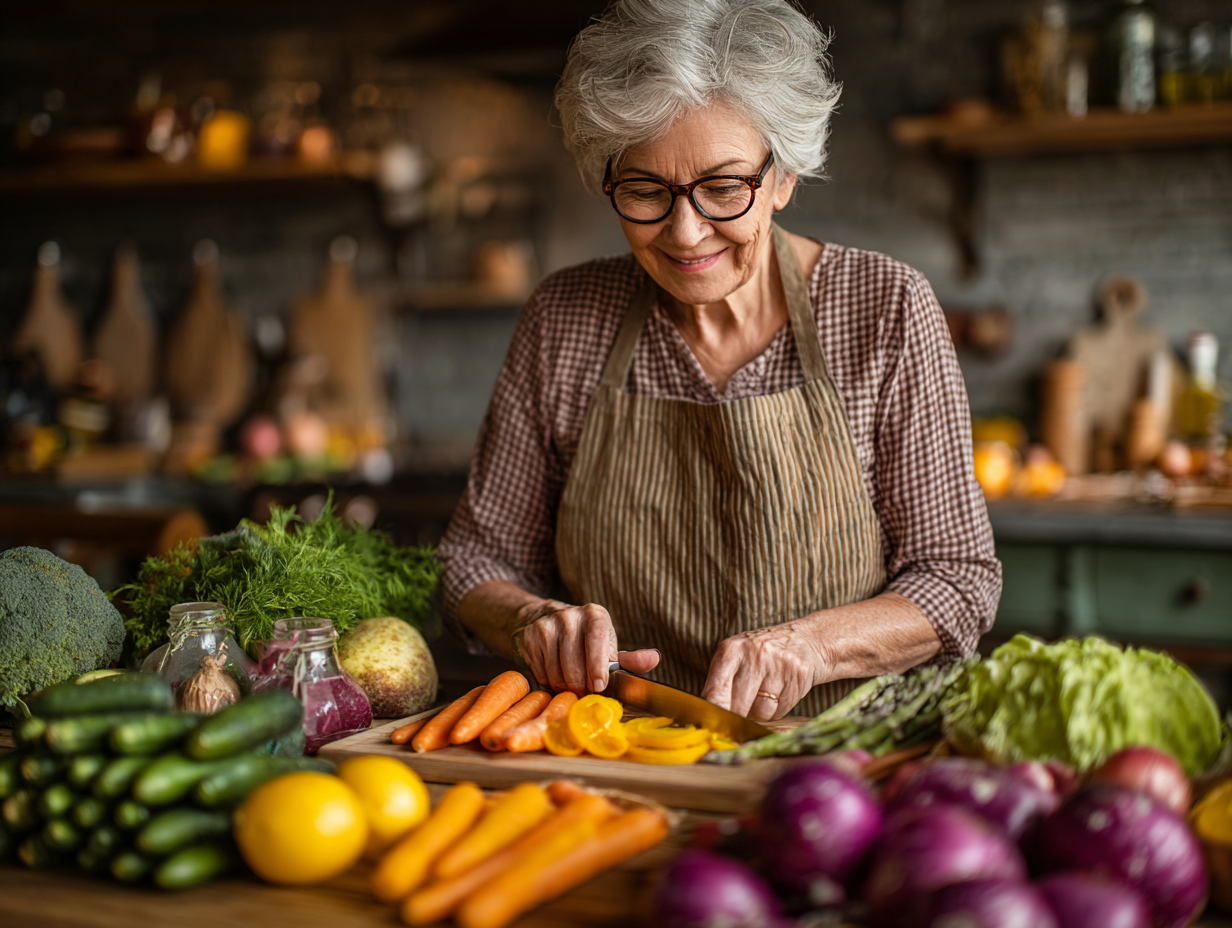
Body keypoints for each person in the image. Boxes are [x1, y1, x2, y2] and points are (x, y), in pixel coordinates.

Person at [437, 0, 1000, 721]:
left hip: (834, 770)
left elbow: (957, 578)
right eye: (644, 189)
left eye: (725, 187)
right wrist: (528, 620)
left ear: (784, 175)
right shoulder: (565, 318)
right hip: (621, 761)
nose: (685, 231)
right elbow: (474, 561)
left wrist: (813, 647)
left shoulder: (884, 308)